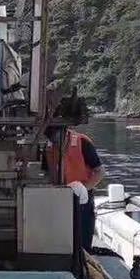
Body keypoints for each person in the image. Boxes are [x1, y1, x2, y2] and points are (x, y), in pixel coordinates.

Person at [46, 93, 104, 250]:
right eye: (52, 139)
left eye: (57, 138)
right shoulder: (48, 148)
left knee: (82, 240)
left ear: (65, 131)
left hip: (82, 198)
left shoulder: (81, 142)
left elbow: (99, 171)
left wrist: (84, 188)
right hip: (60, 198)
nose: (55, 142)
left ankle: (84, 257)